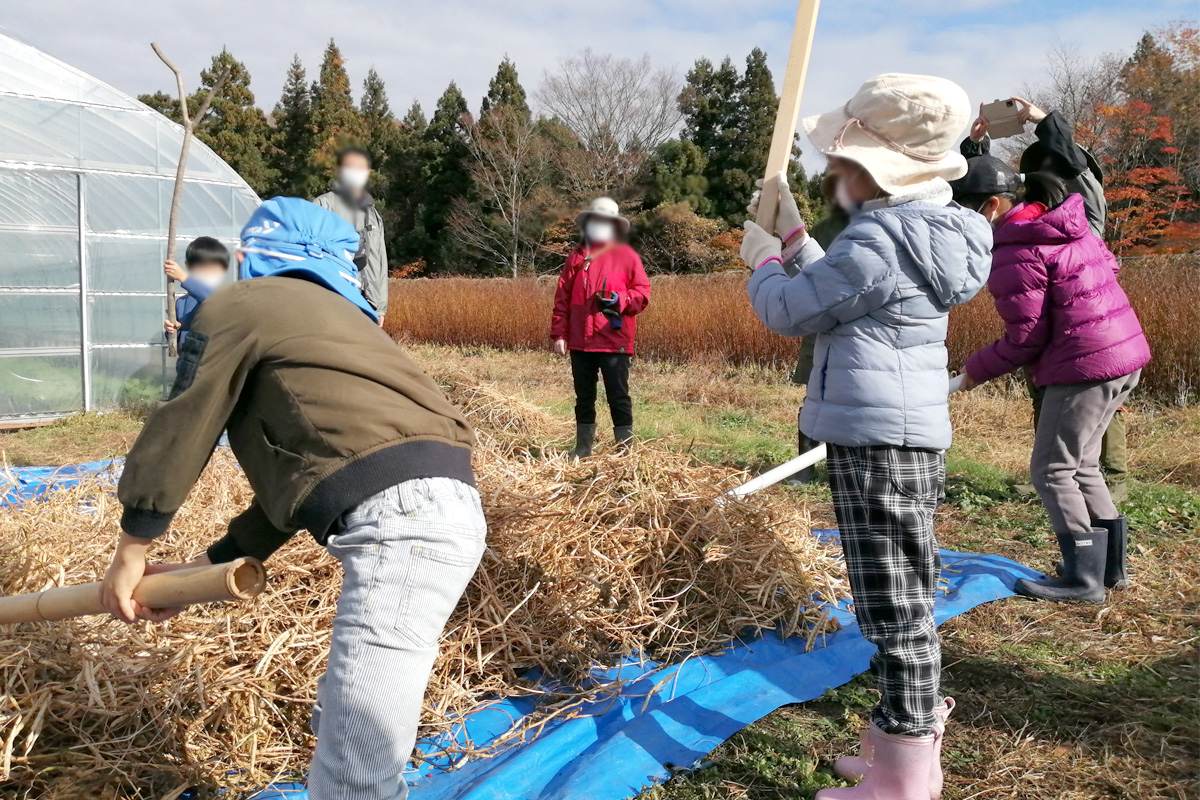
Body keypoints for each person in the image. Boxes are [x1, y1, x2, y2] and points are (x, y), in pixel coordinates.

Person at [100, 197, 483, 800]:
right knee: (347, 721)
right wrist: (210, 564)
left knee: (355, 770)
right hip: (443, 508)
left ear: (254, 255)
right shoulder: (343, 324)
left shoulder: (240, 305)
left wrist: (132, 547)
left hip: (404, 523)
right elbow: (316, 471)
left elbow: (185, 420)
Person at [741, 74, 991, 799]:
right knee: (901, 593)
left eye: (844, 164)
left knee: (893, 608)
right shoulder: (924, 232)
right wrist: (793, 237)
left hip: (875, 442)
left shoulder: (880, 240)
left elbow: (794, 309)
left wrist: (761, 259)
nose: (834, 175)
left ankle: (906, 778)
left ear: (877, 168)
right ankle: (894, 751)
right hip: (906, 436)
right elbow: (847, 291)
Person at [951, 156, 1151, 603]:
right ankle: (1109, 570)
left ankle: (1083, 581)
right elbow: (1108, 271)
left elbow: (1025, 339)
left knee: (1051, 471)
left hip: (1084, 365)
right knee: (1083, 466)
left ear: (993, 206)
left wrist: (971, 373)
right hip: (1124, 354)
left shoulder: (1016, 249)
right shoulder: (1064, 224)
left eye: (964, 209)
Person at [964, 98, 1132, 503]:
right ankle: (1067, 475)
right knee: (1046, 392)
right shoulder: (1038, 207)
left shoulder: (1082, 200)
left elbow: (1070, 157)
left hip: (1087, 314)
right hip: (1054, 309)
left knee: (1095, 405)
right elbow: (991, 191)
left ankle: (1114, 478)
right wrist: (977, 148)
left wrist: (1043, 120)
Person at [550, 197, 651, 457]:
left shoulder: (627, 256)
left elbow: (642, 293)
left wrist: (621, 300)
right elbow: (562, 298)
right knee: (584, 398)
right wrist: (559, 333)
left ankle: (624, 451)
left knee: (618, 396)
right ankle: (583, 449)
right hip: (579, 341)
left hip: (614, 340)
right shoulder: (576, 257)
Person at [776, 171, 848, 485]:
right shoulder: (823, 229)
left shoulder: (873, 227)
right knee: (815, 399)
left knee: (845, 401)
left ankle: (837, 468)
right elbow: (801, 276)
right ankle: (805, 468)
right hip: (818, 326)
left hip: (853, 327)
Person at [314, 147, 389, 325]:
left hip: (366, 303)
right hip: (333, 299)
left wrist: (379, 307)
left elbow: (380, 261)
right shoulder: (323, 205)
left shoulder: (371, 212)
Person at [163, 236, 229, 345]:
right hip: (189, 360)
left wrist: (183, 277)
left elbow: (212, 300)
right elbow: (178, 342)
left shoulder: (225, 296)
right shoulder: (181, 303)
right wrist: (172, 329)